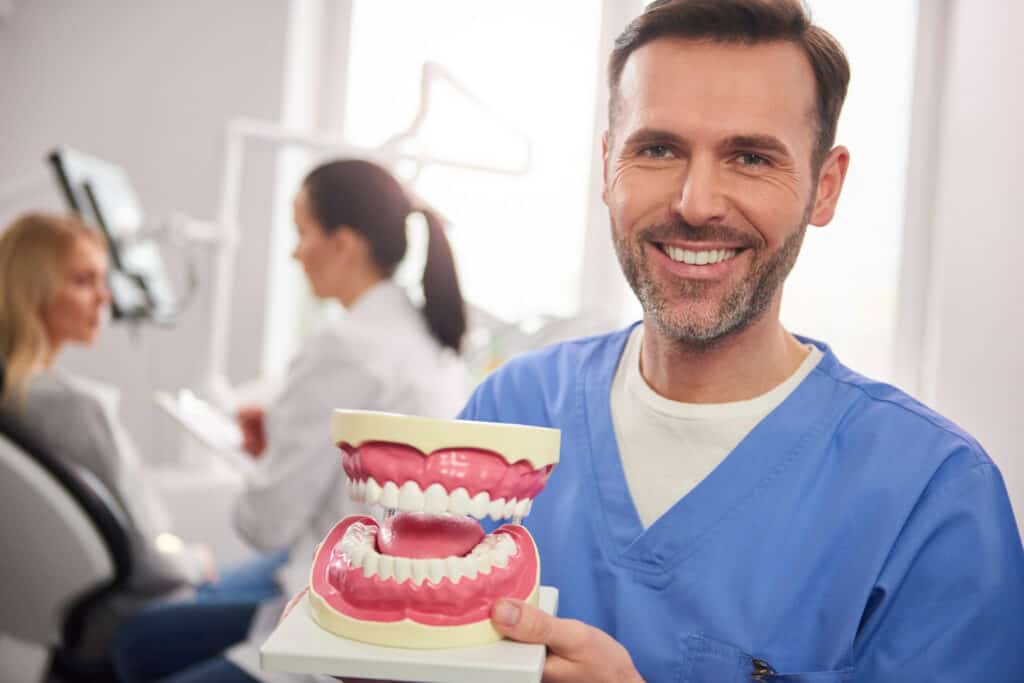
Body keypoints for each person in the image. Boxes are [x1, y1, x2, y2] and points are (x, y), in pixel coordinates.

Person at [455, 1, 1024, 681]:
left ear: (825, 186)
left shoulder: (933, 498)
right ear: (608, 165)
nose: (696, 203)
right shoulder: (509, 412)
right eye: (658, 149)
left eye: (751, 158)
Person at [112, 159, 470, 683]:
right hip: (392, 593)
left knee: (137, 642)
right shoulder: (425, 337)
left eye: (303, 233)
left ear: (345, 243)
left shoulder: (347, 345)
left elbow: (265, 524)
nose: (294, 252)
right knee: (149, 639)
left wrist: (262, 461)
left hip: (348, 617)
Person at [0, 212, 242, 661]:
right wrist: (196, 562)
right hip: (124, 613)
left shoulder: (16, 396)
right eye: (83, 281)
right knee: (273, 607)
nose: (105, 297)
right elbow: (145, 563)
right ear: (32, 289)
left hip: (59, 615)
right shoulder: (73, 407)